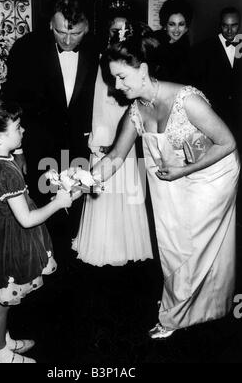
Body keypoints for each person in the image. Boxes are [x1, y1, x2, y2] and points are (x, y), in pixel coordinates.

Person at [90, 25, 240, 339]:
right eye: (113, 78)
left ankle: (175, 314)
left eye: (121, 77)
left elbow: (227, 143)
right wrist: (80, 181)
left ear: (143, 69)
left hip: (213, 177)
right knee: (175, 243)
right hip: (174, 177)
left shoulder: (186, 99)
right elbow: (116, 156)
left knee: (194, 244)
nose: (116, 86)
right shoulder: (135, 110)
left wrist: (183, 172)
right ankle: (193, 302)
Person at [0, 97, 74, 363]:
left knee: (3, 299)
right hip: (5, 239)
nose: (23, 131)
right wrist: (58, 202)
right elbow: (28, 219)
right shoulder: (6, 173)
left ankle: (4, 341)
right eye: (17, 127)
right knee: (1, 301)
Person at [2, 0, 99, 274]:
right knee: (44, 208)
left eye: (75, 32)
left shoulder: (98, 49)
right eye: (60, 31)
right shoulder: (26, 48)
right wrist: (17, 151)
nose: (68, 40)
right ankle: (43, 272)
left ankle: (73, 274)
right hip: (39, 145)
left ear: (88, 27)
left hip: (82, 145)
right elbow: (13, 101)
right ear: (50, 24)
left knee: (78, 211)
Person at [72, 5, 153, 266]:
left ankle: (129, 243)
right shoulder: (99, 59)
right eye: (114, 29)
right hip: (103, 130)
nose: (119, 33)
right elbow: (95, 100)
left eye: (124, 28)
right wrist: (95, 134)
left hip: (127, 131)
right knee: (105, 183)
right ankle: (103, 244)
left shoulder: (138, 62)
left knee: (130, 184)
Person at [189, 7, 242, 145]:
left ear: (240, 24)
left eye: (234, 25)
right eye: (225, 26)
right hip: (214, 118)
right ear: (220, 25)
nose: (230, 31)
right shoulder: (203, 48)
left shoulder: (241, 44)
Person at [153, 0, 193, 83]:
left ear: (186, 26)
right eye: (172, 24)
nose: (176, 30)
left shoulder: (187, 49)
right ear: (165, 25)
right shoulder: (153, 41)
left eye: (181, 24)